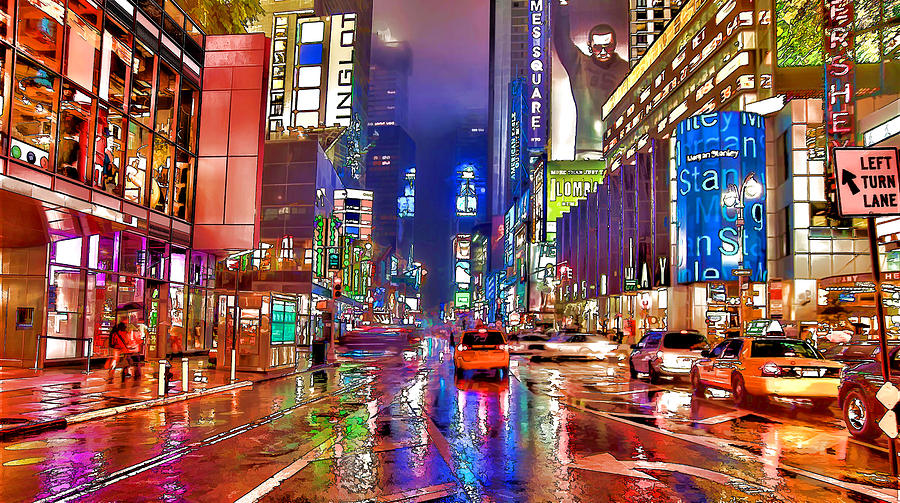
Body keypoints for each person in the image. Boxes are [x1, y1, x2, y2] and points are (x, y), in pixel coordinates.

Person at [553, 1, 629, 159]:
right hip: (586, 148)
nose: (602, 52)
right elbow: (561, 39)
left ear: (614, 45)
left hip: (621, 143)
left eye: (607, 47)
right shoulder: (579, 64)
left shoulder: (626, 69)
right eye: (597, 47)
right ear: (590, 46)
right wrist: (563, 7)